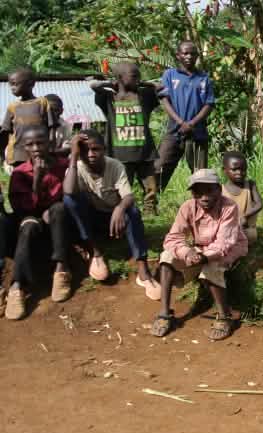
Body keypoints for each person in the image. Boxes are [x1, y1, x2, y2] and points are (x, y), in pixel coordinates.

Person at [150, 169, 248, 340]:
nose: (204, 197)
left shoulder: (229, 207)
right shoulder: (188, 207)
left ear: (219, 189)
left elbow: (224, 243)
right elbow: (173, 238)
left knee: (211, 267)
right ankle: (165, 313)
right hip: (200, 248)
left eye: (209, 190)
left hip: (230, 247)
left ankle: (225, 316)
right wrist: (187, 252)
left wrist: (204, 257)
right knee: (166, 257)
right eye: (198, 192)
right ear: (193, 193)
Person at [62, 130, 158, 296]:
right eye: (85, 150)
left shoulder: (115, 165)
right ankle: (96, 252)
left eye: (96, 149)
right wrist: (73, 156)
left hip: (113, 219)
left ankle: (143, 268)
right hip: (91, 218)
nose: (90, 154)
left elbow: (128, 196)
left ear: (104, 149)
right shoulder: (76, 168)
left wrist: (120, 208)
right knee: (69, 200)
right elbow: (69, 191)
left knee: (132, 211)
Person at [5, 126, 71, 320]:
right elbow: (22, 209)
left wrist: (48, 208)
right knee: (27, 226)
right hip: (32, 221)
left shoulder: (62, 165)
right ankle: (17, 286)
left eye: (40, 142)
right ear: (25, 148)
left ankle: (61, 269)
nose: (35, 148)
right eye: (30, 144)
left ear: (49, 143)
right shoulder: (20, 173)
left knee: (58, 209)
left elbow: (64, 196)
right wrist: (37, 179)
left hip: (58, 223)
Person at [90, 62, 161, 213]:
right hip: (120, 154)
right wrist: (113, 82)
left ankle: (150, 209)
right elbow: (94, 85)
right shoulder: (109, 99)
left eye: (139, 76)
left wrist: (141, 82)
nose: (138, 79)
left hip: (145, 152)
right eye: (134, 76)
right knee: (122, 185)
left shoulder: (144, 96)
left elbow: (159, 87)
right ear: (120, 78)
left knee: (151, 186)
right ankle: (126, 210)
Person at [157, 40, 215, 189]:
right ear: (178, 55)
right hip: (174, 130)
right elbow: (165, 100)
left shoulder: (203, 78)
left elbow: (209, 104)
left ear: (197, 56)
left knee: (200, 174)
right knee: (160, 166)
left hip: (197, 132)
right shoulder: (170, 75)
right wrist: (181, 123)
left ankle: (201, 205)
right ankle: (152, 202)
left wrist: (192, 123)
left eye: (193, 53)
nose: (189, 56)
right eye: (185, 53)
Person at [2, 68, 56, 167]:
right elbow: (5, 132)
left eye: (15, 84)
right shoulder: (12, 107)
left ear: (30, 84)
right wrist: (2, 154)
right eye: (10, 85)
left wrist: (51, 149)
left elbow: (52, 127)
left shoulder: (42, 103)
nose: (12, 88)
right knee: (21, 178)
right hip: (18, 154)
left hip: (39, 152)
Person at [221, 151, 263, 244]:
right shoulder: (220, 190)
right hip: (227, 228)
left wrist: (245, 216)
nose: (239, 172)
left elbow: (259, 204)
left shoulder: (250, 185)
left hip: (247, 228)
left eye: (243, 169)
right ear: (224, 170)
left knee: (248, 236)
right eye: (234, 169)